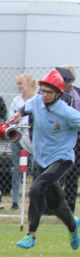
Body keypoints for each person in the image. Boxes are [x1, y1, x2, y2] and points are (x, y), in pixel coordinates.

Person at [11, 70, 80, 250]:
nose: (44, 95)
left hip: (62, 159)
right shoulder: (37, 101)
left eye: (49, 92)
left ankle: (31, 234)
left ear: (59, 94)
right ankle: (72, 224)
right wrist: (19, 115)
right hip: (41, 159)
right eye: (43, 91)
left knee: (36, 187)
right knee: (55, 203)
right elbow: (25, 107)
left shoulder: (67, 112)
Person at [56, 67, 80, 212]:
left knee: (72, 175)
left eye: (70, 80)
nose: (67, 83)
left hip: (76, 141)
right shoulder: (51, 94)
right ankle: (54, 206)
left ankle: (70, 207)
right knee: (55, 174)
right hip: (57, 141)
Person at [6, 73, 37, 212]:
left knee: (36, 167)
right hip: (18, 136)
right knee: (17, 169)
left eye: (21, 83)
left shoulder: (37, 99)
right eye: (17, 84)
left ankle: (36, 197)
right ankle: (15, 201)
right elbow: (12, 117)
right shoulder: (16, 101)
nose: (19, 87)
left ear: (30, 84)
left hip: (33, 136)